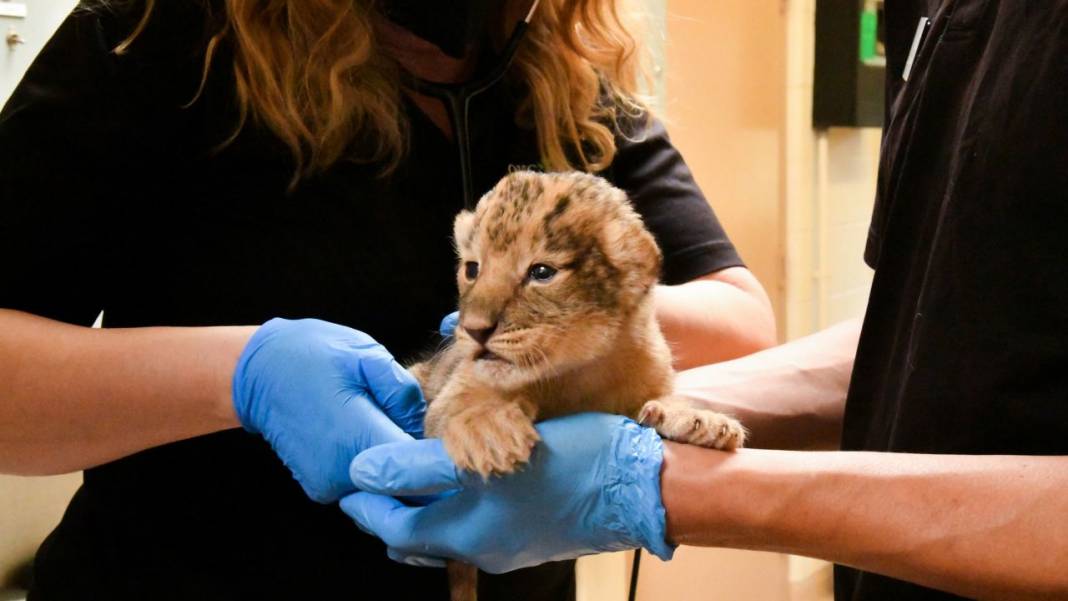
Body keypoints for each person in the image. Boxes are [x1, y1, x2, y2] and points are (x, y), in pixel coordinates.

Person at [0, 1, 776, 600]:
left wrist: (567, 305)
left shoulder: (561, 81)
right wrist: (239, 375)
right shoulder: (166, 42)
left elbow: (741, 322)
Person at [343, 2, 1068, 600]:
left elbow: (738, 313)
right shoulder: (931, 15)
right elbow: (923, 334)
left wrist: (666, 482)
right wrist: (603, 403)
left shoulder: (568, 84)